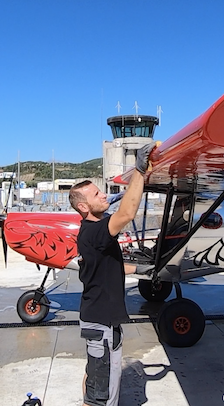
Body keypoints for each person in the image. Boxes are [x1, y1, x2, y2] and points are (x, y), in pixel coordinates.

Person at [69, 142, 156, 406]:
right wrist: (139, 170)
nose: (105, 196)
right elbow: (127, 212)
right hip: (102, 326)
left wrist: (145, 270)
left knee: (95, 381)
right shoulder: (96, 232)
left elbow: (107, 268)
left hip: (97, 322)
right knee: (101, 397)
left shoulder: (90, 236)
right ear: (84, 207)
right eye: (97, 195)